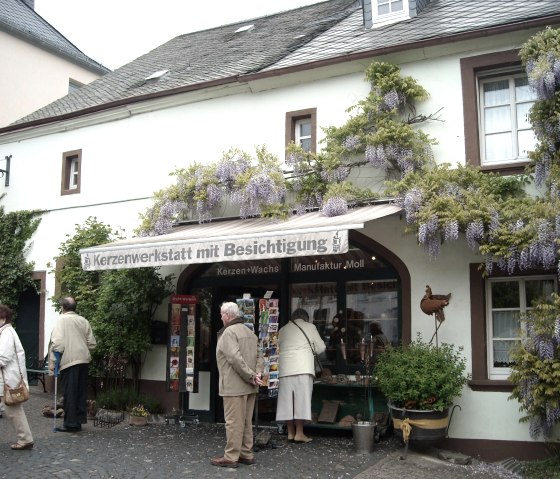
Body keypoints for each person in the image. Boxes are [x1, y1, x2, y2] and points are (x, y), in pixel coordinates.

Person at [212, 302, 264, 468]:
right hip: (250, 386)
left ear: (227, 315)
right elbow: (260, 356)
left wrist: (250, 376)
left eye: (221, 315)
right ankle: (246, 454)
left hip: (234, 385)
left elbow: (234, 359)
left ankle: (231, 456)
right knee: (246, 422)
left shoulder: (228, 332)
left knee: (234, 422)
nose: (221, 317)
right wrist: (257, 374)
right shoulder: (250, 332)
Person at [276, 308, 326, 443]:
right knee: (301, 400)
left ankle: (290, 432)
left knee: (287, 401)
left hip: (285, 369)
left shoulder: (283, 329)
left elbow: (276, 348)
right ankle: (299, 433)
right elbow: (321, 348)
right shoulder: (310, 327)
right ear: (306, 318)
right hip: (303, 368)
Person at [49, 297, 96, 432]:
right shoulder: (84, 321)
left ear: (63, 307)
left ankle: (70, 423)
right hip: (83, 360)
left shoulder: (61, 320)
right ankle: (78, 421)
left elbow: (58, 344)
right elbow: (92, 343)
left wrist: (55, 361)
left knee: (70, 392)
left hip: (69, 361)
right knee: (80, 391)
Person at [0, 304, 34, 450]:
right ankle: (25, 438)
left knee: (12, 410)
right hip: (8, 378)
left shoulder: (7, 333)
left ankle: (25, 439)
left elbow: (3, 357)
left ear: (2, 318)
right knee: (12, 409)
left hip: (7, 379)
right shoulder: (6, 332)